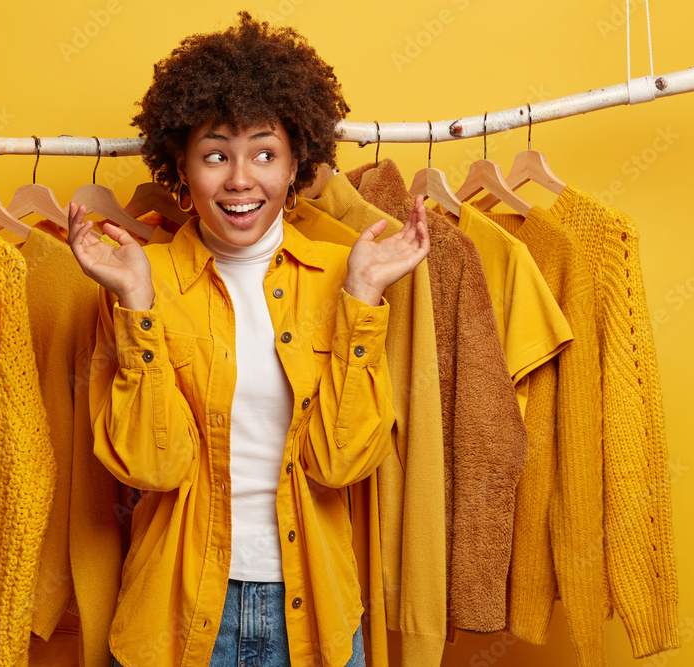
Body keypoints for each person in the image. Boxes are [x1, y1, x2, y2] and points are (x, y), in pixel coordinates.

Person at [68, 12, 429, 667]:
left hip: (313, 611)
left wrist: (364, 303)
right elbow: (154, 466)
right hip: (175, 619)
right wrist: (138, 305)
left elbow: (340, 463)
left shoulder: (342, 280)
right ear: (181, 163)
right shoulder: (141, 284)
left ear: (297, 165)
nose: (241, 179)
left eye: (265, 152)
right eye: (216, 154)